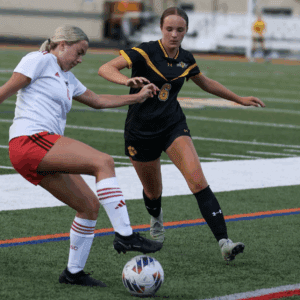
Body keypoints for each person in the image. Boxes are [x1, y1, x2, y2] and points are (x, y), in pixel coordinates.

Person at [98, 7, 266, 262]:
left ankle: (224, 242)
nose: (174, 35)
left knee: (198, 180)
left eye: (180, 30)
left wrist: (239, 99)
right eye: (169, 29)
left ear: (186, 31)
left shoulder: (186, 58)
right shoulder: (145, 51)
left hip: (173, 126)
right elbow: (106, 68)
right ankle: (156, 218)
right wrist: (127, 82)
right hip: (140, 132)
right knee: (153, 192)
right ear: (161, 29)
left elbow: (205, 82)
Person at [1, 25, 162, 287]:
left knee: (88, 206)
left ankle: (73, 273)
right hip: (29, 141)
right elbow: (6, 89)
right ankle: (125, 235)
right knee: (104, 161)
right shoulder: (39, 60)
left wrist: (137, 97)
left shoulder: (67, 77)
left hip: (40, 149)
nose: (80, 59)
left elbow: (97, 101)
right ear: (62, 44)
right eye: (79, 52)